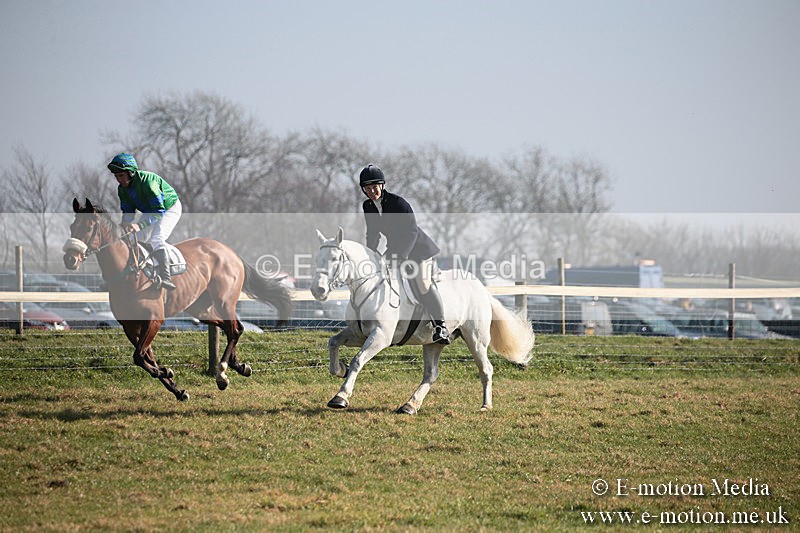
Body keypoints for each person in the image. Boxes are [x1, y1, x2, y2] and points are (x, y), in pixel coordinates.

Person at [360, 164, 451, 345]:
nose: (371, 191)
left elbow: (411, 232)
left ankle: (441, 327)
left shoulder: (398, 203)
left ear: (382, 185)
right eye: (367, 188)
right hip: (395, 249)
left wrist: (401, 256)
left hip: (418, 249)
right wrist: (371, 254)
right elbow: (373, 233)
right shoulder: (368, 206)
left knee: (422, 283)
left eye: (375, 187)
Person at [107, 153, 182, 290]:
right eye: (116, 176)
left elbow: (159, 211)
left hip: (168, 208)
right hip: (150, 211)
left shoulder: (149, 182)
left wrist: (139, 225)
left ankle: (166, 277)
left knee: (156, 239)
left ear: (131, 172)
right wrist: (125, 225)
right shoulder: (122, 189)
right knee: (132, 239)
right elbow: (128, 212)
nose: (119, 180)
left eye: (121, 175)